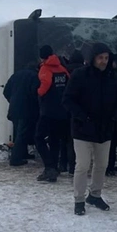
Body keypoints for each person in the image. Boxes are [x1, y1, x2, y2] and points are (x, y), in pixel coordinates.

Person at [63, 43, 117, 216]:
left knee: (102, 165)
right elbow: (67, 100)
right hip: (83, 129)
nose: (103, 61)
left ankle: (95, 195)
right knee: (82, 166)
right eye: (100, 58)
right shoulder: (80, 75)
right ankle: (79, 199)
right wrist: (83, 117)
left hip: (104, 130)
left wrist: (115, 116)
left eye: (106, 58)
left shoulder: (112, 76)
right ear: (93, 58)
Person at [35, 45, 71, 182]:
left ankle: (49, 167)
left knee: (38, 138)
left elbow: (43, 88)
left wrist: (37, 93)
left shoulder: (45, 69)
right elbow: (69, 84)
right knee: (55, 140)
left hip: (48, 111)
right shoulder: (62, 68)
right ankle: (54, 168)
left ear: (42, 56)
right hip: (62, 111)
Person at [2, 61, 40, 167]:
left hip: (14, 109)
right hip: (27, 110)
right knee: (22, 134)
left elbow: (6, 91)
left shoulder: (16, 75)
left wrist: (12, 101)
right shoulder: (34, 76)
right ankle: (15, 159)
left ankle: (23, 154)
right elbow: (35, 93)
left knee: (19, 133)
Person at [64, 50, 86, 175]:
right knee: (77, 140)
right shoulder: (85, 72)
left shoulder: (64, 70)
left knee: (65, 139)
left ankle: (63, 164)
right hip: (80, 111)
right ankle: (74, 166)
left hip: (65, 109)